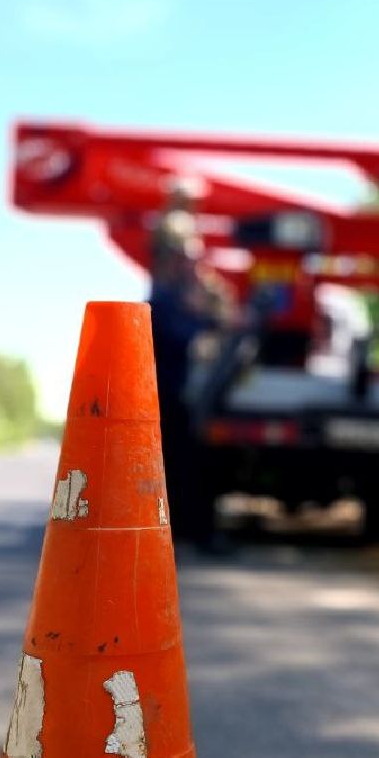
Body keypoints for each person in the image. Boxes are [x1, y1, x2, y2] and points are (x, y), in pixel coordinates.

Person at [146, 190, 227, 547]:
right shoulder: (164, 301)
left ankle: (192, 529)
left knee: (191, 465)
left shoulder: (179, 298)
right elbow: (179, 337)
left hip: (181, 398)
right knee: (181, 466)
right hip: (170, 397)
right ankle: (188, 530)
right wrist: (206, 321)